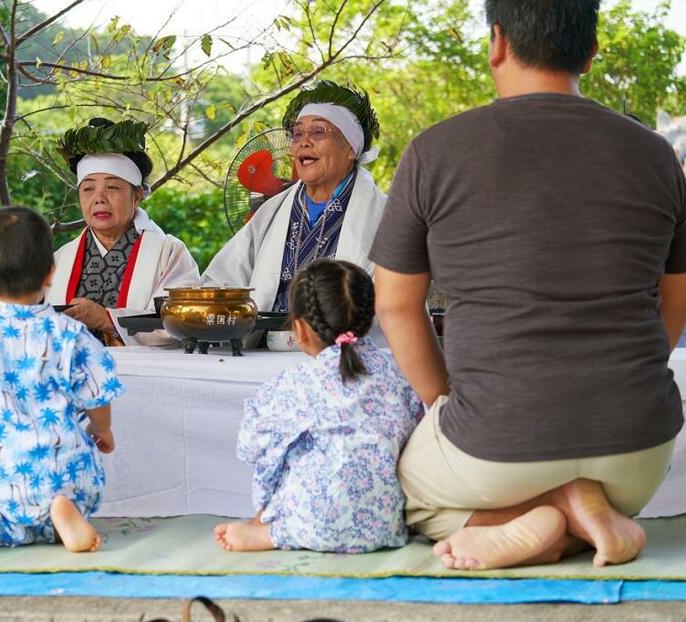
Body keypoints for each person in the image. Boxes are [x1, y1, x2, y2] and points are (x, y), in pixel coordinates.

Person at [371, 0, 686, 571]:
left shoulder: (433, 152)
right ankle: (588, 508)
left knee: (405, 494)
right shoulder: (657, 156)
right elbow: (676, 300)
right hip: (639, 451)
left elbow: (395, 305)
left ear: (496, 41)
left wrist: (448, 404)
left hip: (495, 450)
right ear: (590, 53)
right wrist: (619, 382)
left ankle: (554, 516)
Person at [0, 206, 125, 554]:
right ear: (50, 274)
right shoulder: (72, 334)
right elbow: (98, 393)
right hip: (60, 469)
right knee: (70, 489)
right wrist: (102, 429)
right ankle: (63, 511)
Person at [214, 259, 422, 553]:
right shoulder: (399, 373)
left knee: (276, 453)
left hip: (313, 522)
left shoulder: (294, 383)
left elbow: (251, 447)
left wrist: (264, 510)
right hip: (386, 524)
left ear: (299, 329)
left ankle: (268, 530)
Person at [202, 81, 387, 344]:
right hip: (266, 349)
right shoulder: (273, 210)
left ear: (351, 149)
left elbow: (396, 301)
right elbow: (224, 277)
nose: (303, 143)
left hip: (345, 355)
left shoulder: (384, 216)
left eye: (318, 132)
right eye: (298, 134)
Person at [45, 118, 200, 346]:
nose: (99, 198)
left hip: (143, 376)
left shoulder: (168, 253)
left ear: (137, 195)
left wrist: (108, 319)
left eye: (112, 187)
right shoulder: (60, 259)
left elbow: (183, 321)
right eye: (88, 188)